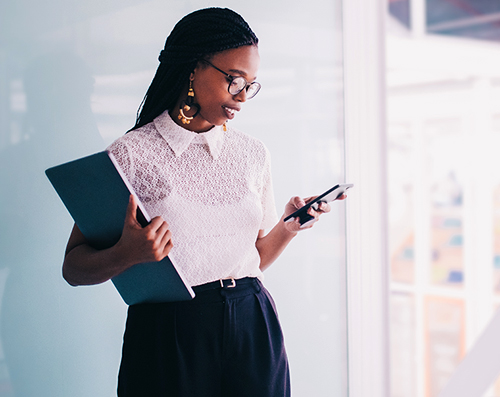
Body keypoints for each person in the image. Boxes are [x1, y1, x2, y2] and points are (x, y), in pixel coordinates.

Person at [62, 7, 338, 397]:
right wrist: (128, 253)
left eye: (251, 85)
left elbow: (254, 260)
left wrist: (288, 227)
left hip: (252, 320)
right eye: (235, 80)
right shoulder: (131, 154)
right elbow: (73, 267)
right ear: (194, 68)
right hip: (169, 329)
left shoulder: (253, 153)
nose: (242, 96)